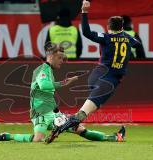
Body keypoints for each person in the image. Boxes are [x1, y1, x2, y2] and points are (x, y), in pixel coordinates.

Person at [46, 0, 141, 144]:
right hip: (109, 82)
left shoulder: (106, 37)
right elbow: (137, 44)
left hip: (96, 76)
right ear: (122, 28)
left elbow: (86, 32)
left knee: (85, 109)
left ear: (108, 27)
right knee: (83, 113)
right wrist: (125, 39)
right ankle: (59, 128)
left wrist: (84, 12)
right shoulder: (128, 38)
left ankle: (113, 136)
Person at [0, 42, 122, 143]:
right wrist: (66, 82)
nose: (62, 61)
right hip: (40, 113)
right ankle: (7, 136)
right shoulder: (42, 69)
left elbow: (47, 93)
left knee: (80, 129)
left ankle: (113, 137)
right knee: (37, 140)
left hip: (54, 114)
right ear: (50, 56)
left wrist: (56, 110)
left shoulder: (48, 71)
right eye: (59, 58)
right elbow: (44, 86)